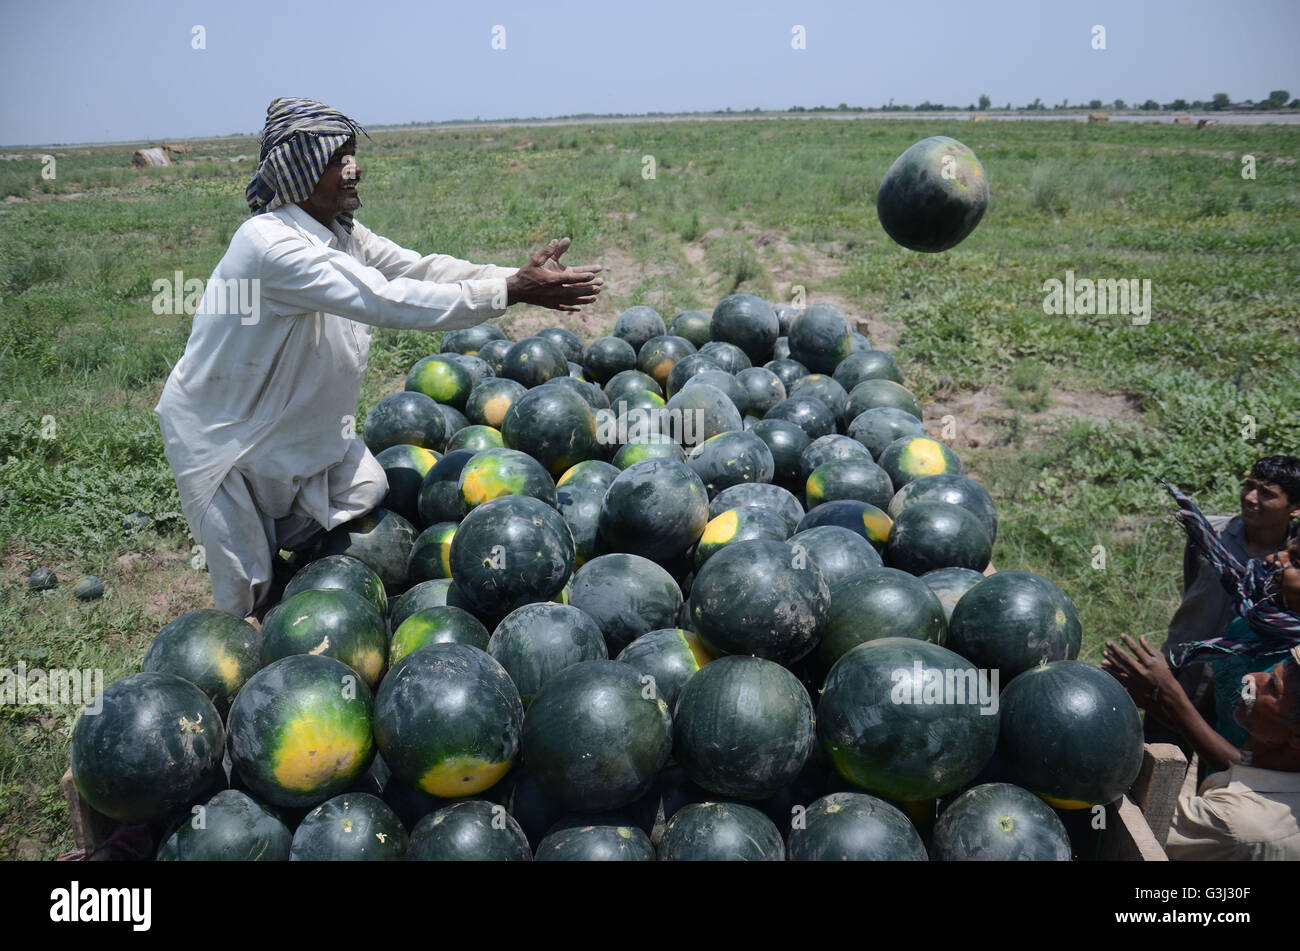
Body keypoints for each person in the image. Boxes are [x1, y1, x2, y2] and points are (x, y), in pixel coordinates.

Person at [155, 97, 603, 623]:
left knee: (367, 486)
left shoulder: (342, 234)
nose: (354, 166)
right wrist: (511, 291)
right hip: (226, 439)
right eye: (337, 156)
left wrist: (512, 277)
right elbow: (387, 298)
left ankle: (302, 579)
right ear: (298, 171)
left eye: (351, 153)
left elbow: (420, 271)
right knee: (246, 606)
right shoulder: (271, 247)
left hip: (284, 432)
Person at [1147, 456, 1300, 753]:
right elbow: (1192, 581)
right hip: (1182, 667)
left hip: (1239, 688)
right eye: (1249, 486)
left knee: (1220, 759)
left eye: (1267, 493)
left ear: (1295, 508)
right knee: (1156, 753)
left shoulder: (1292, 562)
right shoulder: (1209, 534)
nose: (1251, 498)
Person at [1103, 636, 1300, 860]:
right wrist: (1163, 705)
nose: (1251, 678)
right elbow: (1246, 769)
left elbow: (1118, 823)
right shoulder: (1283, 775)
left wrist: (1172, 695)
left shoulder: (1232, 821)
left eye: (1273, 686)